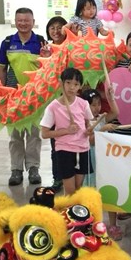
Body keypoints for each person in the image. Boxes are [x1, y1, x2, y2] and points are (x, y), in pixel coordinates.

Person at [0, 7, 46, 186]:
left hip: (35, 96)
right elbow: (2, 68)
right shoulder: (7, 42)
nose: (23, 23)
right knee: (15, 135)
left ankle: (34, 168)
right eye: (20, 20)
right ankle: (16, 169)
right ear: (15, 22)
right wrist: (1, 91)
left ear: (33, 22)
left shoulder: (40, 42)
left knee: (34, 134)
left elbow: (46, 68)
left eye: (27, 20)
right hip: (13, 96)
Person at [39, 68, 93, 196]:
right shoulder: (53, 107)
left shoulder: (83, 104)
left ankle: (74, 214)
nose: (71, 87)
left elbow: (88, 123)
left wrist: (88, 131)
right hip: (64, 150)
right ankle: (68, 214)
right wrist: (66, 131)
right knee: (69, 191)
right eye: (68, 83)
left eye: (76, 84)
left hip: (83, 149)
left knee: (78, 189)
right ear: (61, 83)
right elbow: (45, 133)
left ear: (80, 86)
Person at [81, 88, 122, 240]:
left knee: (108, 190)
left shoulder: (101, 117)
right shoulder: (83, 122)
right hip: (90, 161)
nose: (97, 107)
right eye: (93, 105)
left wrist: (111, 98)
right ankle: (91, 224)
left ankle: (112, 224)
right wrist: (102, 131)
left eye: (98, 104)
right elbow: (89, 140)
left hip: (104, 161)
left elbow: (116, 113)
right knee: (91, 191)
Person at [45, 16, 68, 190]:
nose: (55, 31)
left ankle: (74, 176)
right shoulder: (45, 50)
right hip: (53, 104)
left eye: (59, 27)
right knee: (56, 143)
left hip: (72, 103)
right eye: (52, 28)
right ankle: (57, 178)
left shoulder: (71, 48)